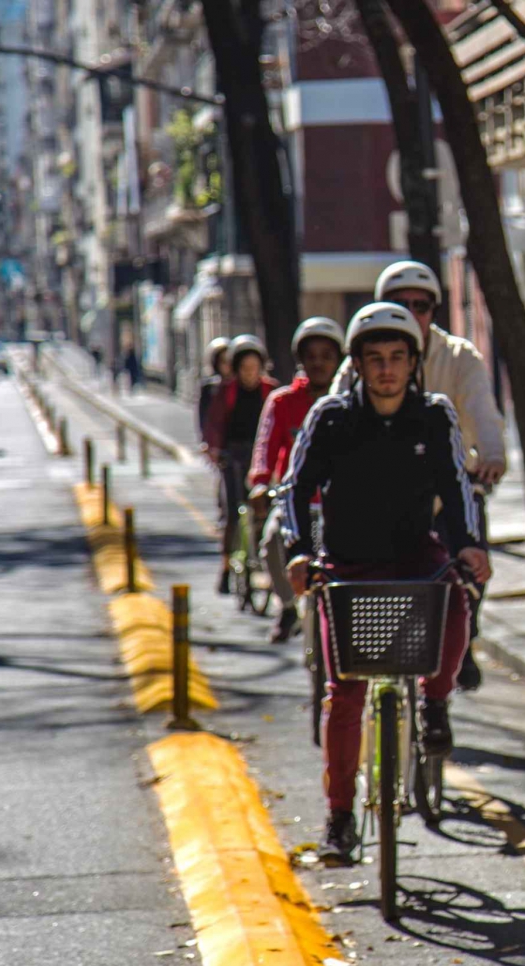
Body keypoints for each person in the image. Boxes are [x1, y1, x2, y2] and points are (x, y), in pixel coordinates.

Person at [281, 303, 491, 866]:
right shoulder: (330, 418)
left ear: (414, 362)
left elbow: (457, 487)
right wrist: (299, 553)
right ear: (358, 365)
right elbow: (294, 491)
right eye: (374, 359)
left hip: (414, 559)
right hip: (347, 566)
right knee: (343, 694)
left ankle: (436, 704)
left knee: (456, 597)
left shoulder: (435, 415)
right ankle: (340, 819)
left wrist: (469, 544)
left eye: (398, 357)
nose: (387, 369)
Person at [335, 261, 506, 691]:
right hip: (379, 499)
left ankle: (461, 649)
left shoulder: (459, 357)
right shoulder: (361, 360)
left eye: (422, 304)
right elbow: (333, 416)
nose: (412, 312)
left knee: (469, 568)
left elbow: (484, 414)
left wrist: (492, 456)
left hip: (448, 491)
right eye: (399, 303)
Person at [247, 317, 345, 643]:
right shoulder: (281, 402)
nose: (318, 363)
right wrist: (260, 482)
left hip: (340, 506)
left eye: (326, 356)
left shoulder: (348, 403)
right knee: (273, 538)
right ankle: (288, 605)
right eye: (311, 356)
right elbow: (264, 449)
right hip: (294, 502)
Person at [206, 334, 278, 594]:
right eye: (245, 368)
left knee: (267, 513)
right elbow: (215, 423)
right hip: (233, 456)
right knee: (233, 514)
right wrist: (215, 450)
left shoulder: (271, 390)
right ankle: (226, 568)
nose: (250, 373)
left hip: (263, 458)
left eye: (254, 368)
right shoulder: (227, 391)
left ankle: (266, 565)